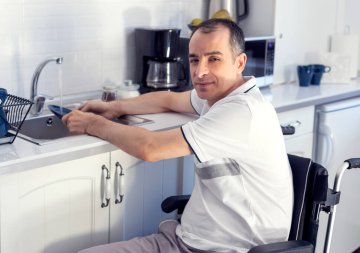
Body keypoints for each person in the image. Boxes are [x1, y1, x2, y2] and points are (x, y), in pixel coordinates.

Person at [63, 18, 293, 253]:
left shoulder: (242, 112)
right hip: (189, 240)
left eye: (214, 59)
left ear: (239, 62)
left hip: (226, 249)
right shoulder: (220, 96)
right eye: (194, 59)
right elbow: (169, 100)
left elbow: (151, 148)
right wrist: (115, 107)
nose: (200, 71)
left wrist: (93, 124)